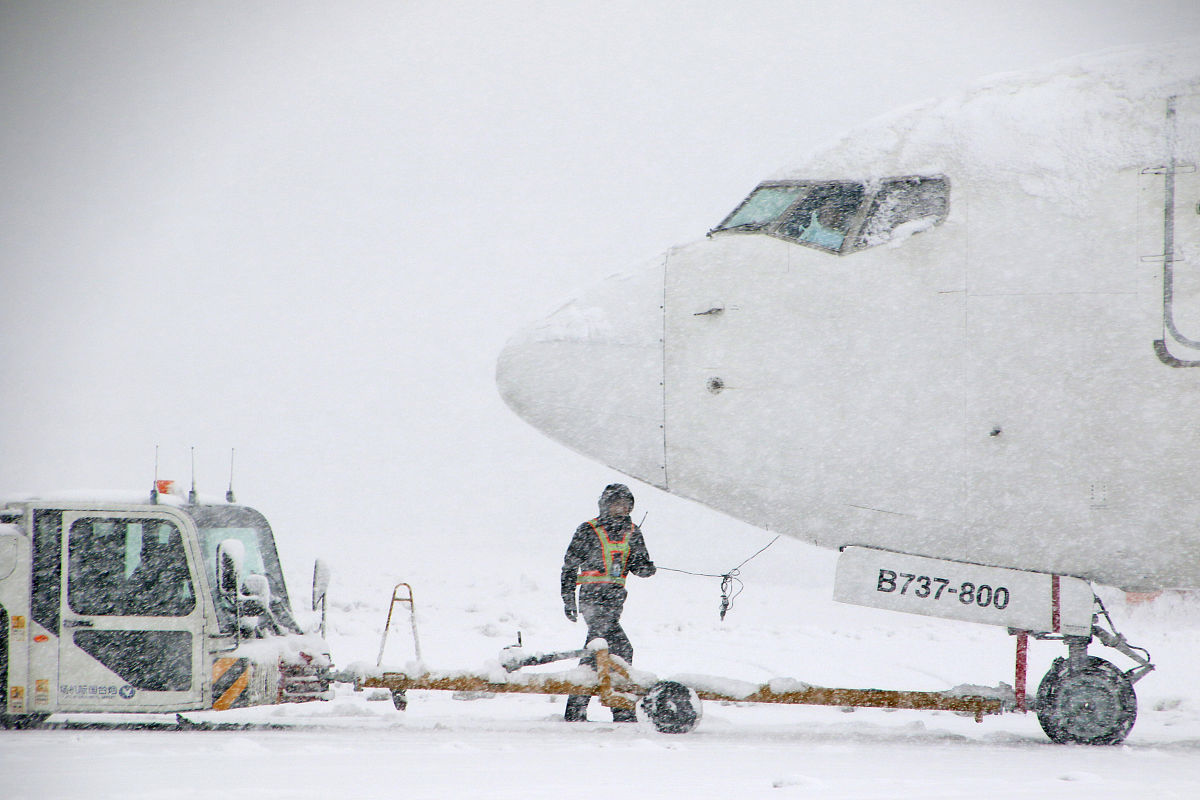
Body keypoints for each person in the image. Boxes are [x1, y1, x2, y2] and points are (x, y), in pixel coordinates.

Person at [560, 483, 656, 722]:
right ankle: (621, 710)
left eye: (626, 504)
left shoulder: (633, 532)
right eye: (616, 503)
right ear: (605, 504)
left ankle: (577, 711)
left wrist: (646, 568)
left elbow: (638, 566)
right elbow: (569, 567)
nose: (621, 508)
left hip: (615, 599)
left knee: (597, 652)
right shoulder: (588, 529)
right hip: (592, 598)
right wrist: (568, 599)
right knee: (620, 649)